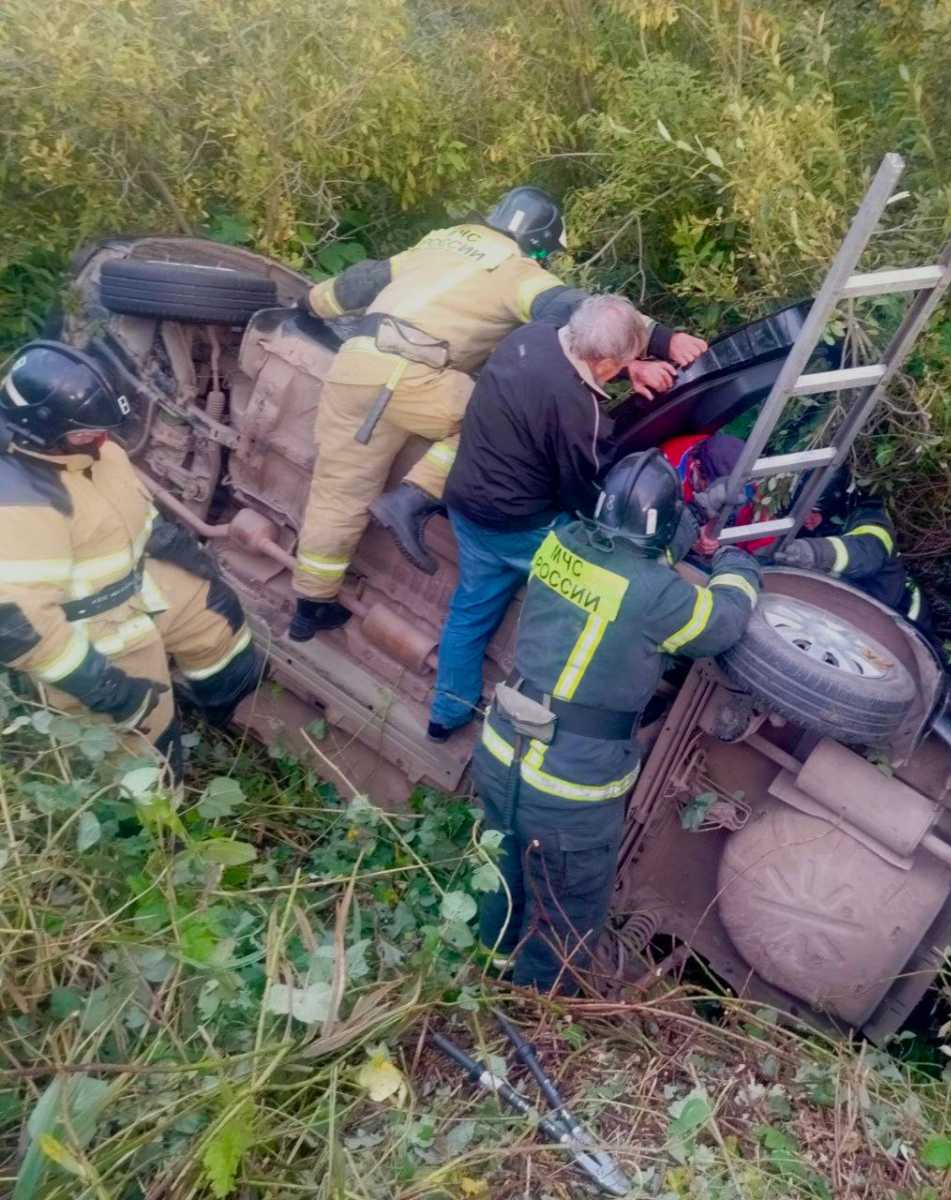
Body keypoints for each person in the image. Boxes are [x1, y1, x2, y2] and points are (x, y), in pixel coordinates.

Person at [289, 185, 707, 640]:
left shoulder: (440, 240)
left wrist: (307, 306)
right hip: (414, 377)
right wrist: (662, 339)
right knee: (497, 419)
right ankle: (412, 499)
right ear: (540, 241)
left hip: (353, 369)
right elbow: (583, 313)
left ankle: (311, 607)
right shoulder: (513, 270)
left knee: (336, 491)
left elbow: (360, 283)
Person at [473, 449, 761, 993]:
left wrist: (695, 512)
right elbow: (721, 624)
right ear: (660, 529)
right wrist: (738, 565)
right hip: (568, 788)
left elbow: (624, 560)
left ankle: (488, 977)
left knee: (503, 879)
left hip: (501, 750)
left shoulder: (561, 544)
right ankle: (536, 1009)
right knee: (564, 913)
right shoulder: (657, 597)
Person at [0, 342, 263, 776]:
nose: (103, 440)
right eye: (88, 433)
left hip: (137, 582)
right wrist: (102, 688)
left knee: (220, 625)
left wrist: (185, 556)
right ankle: (154, 828)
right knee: (139, 752)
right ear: (39, 428)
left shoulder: (100, 453)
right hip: (89, 631)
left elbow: (136, 515)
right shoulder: (18, 505)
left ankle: (219, 722)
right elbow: (19, 628)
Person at [427, 294, 658, 742]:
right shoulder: (577, 408)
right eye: (622, 364)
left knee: (470, 610)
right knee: (587, 605)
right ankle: (553, 719)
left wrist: (635, 365)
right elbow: (579, 487)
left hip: (466, 504)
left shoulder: (528, 338)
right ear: (606, 363)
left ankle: (445, 716)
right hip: (520, 528)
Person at [660, 431, 932, 635]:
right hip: (848, 611)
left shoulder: (872, 521)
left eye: (815, 512)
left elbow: (865, 553)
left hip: (900, 618)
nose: (809, 519)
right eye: (806, 512)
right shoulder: (669, 471)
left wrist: (813, 553)